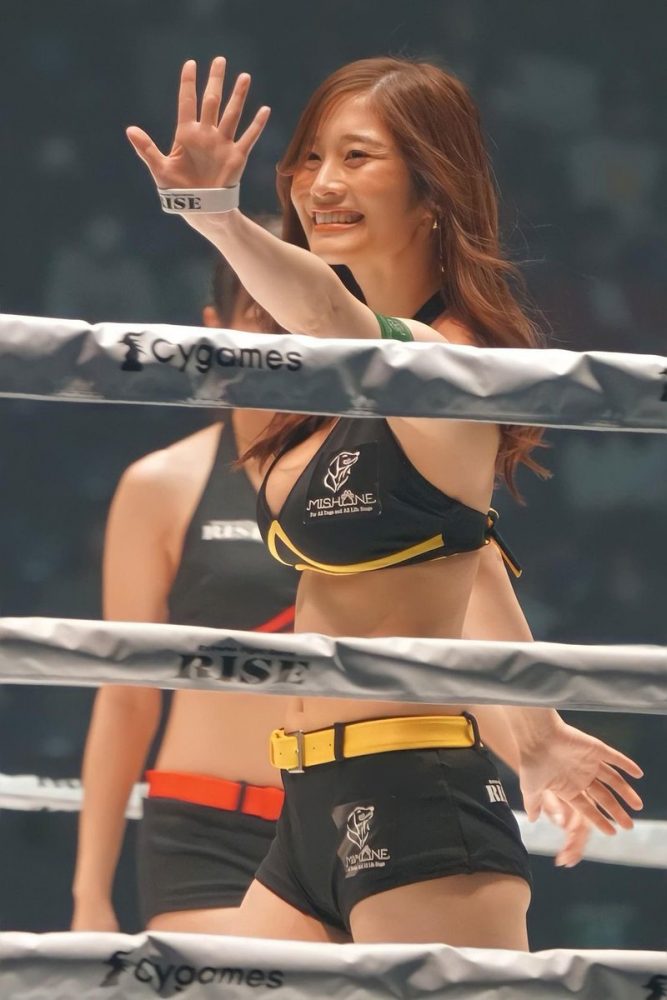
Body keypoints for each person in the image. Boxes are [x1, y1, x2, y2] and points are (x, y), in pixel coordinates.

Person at [126, 55, 643, 948]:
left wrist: (212, 216)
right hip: (308, 806)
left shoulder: (453, 362)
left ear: (431, 189)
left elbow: (330, 317)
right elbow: (464, 554)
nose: (321, 183)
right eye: (311, 157)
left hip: (415, 805)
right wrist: (536, 730)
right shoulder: (347, 386)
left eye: (356, 156)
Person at [71, 250, 299, 934]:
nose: (283, 339)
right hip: (205, 828)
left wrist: (534, 744)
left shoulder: (377, 484)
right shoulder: (162, 485)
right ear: (215, 329)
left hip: (350, 816)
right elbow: (126, 694)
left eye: (301, 314)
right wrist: (90, 895)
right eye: (262, 316)